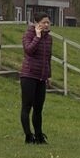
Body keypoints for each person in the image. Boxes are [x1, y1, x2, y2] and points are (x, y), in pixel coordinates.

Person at [20, 12, 54, 144]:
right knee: (26, 107)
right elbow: (28, 50)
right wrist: (37, 37)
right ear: (36, 23)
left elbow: (48, 58)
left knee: (38, 108)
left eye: (48, 22)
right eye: (43, 22)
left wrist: (48, 75)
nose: (46, 25)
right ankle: (29, 136)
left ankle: (39, 136)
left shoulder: (49, 39)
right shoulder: (29, 34)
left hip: (41, 77)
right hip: (29, 75)